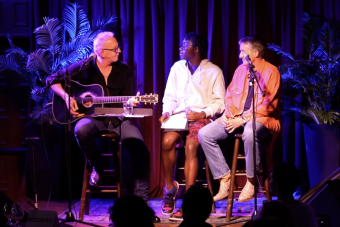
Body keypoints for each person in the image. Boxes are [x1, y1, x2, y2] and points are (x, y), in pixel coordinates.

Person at [46, 31, 159, 222]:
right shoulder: (83, 67)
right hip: (91, 118)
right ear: (101, 52)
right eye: (115, 49)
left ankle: (141, 204)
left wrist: (132, 103)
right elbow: (51, 80)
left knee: (140, 148)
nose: (119, 51)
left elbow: (128, 99)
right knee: (81, 130)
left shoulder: (124, 70)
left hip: (118, 119)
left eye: (118, 47)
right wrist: (67, 97)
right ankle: (97, 167)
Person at [198, 36, 281, 202]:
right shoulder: (240, 71)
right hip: (235, 118)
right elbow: (229, 97)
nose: (240, 55)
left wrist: (243, 120)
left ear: (255, 53)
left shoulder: (271, 72)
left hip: (261, 120)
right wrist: (229, 116)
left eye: (243, 51)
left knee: (250, 131)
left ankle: (251, 180)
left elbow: (267, 106)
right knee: (204, 134)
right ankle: (225, 178)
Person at [159, 32, 225, 221]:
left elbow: (221, 103)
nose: (180, 48)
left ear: (196, 49)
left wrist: (203, 113)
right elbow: (169, 97)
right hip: (179, 117)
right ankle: (170, 190)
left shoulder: (214, 71)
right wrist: (167, 112)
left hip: (201, 117)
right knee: (167, 141)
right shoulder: (177, 68)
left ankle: (188, 202)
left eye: (185, 45)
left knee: (190, 146)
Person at [269, 162, 318, 227]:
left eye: (271, 179)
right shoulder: (308, 210)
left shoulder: (270, 210)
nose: (269, 182)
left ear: (277, 185)